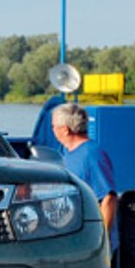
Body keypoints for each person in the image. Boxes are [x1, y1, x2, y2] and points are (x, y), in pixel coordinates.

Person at [51, 102, 117, 242]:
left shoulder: (92, 155)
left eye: (54, 127)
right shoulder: (65, 152)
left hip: (90, 239)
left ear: (65, 130)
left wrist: (101, 239)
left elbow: (108, 198)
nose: (53, 130)